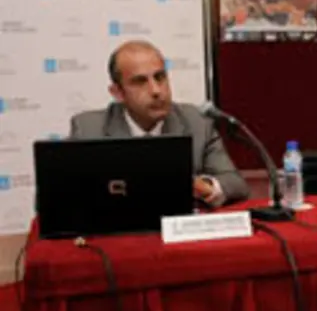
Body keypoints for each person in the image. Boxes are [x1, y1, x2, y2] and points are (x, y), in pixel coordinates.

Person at [69, 40, 250, 206]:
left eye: (160, 77)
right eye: (140, 82)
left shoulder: (196, 122)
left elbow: (235, 183)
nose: (156, 90)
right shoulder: (87, 129)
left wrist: (205, 187)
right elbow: (57, 198)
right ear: (117, 93)